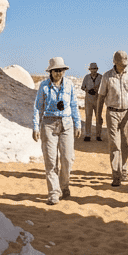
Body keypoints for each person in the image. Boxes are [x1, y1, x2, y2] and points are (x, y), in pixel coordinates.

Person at [32, 57, 80, 205]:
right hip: (49, 124)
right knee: (51, 161)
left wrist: (78, 124)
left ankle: (64, 185)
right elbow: (37, 107)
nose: (59, 73)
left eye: (61, 70)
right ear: (51, 72)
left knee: (67, 159)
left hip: (66, 124)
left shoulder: (70, 85)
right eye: (56, 71)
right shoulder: (44, 86)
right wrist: (35, 126)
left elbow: (73, 105)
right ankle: (53, 192)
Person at [98, 50, 128, 186]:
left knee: (127, 144)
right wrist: (98, 115)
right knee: (115, 144)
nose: (124, 66)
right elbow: (101, 97)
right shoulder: (107, 77)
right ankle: (116, 174)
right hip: (112, 113)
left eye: (125, 64)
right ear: (115, 62)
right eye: (121, 64)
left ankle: (123, 167)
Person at [81, 62, 103, 141]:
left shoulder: (101, 77)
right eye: (92, 69)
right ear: (90, 70)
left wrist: (97, 90)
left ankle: (98, 135)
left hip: (98, 100)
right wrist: (88, 90)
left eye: (94, 69)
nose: (93, 70)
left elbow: (104, 88)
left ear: (97, 69)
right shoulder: (86, 77)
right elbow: (82, 87)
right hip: (88, 100)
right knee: (88, 118)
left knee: (98, 118)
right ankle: (87, 135)